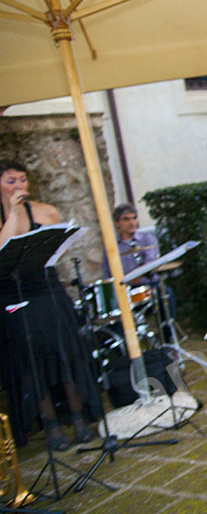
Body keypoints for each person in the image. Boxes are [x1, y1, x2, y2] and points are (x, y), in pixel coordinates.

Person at [0, 159, 102, 449]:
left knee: (65, 351)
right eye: (10, 181)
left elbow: (58, 247)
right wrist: (12, 212)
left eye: (22, 180)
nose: (19, 186)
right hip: (11, 294)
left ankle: (78, 417)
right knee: (30, 362)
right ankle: (50, 425)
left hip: (46, 287)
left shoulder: (46, 210)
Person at [103, 203, 176, 330]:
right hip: (125, 290)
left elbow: (150, 264)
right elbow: (107, 273)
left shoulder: (147, 239)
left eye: (134, 218)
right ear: (117, 222)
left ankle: (168, 337)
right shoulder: (111, 246)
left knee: (166, 294)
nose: (132, 222)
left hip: (148, 286)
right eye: (126, 219)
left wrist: (135, 277)